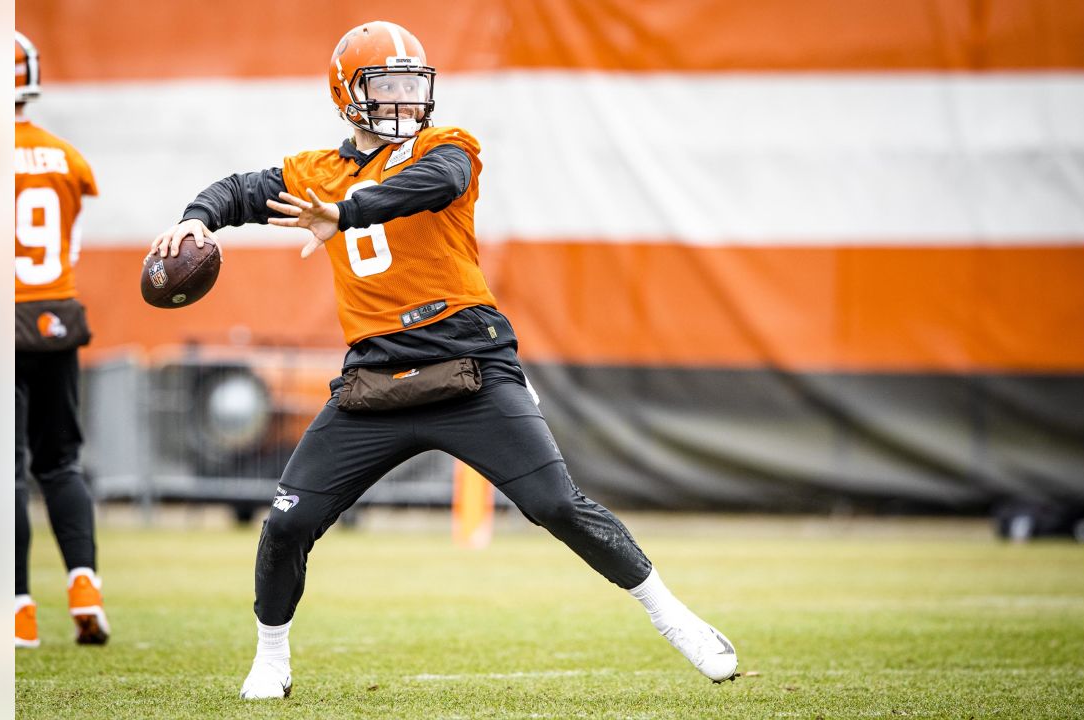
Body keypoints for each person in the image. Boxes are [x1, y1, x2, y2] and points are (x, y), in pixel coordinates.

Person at [148, 20, 736, 699]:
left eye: (410, 85)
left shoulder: (447, 147)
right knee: (287, 522)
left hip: (469, 367)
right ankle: (271, 657)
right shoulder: (318, 169)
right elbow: (242, 188)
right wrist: (198, 217)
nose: (402, 100)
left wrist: (345, 212)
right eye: (385, 86)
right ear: (348, 92)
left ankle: (675, 617)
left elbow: (432, 184)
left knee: (556, 504)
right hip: (374, 382)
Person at [14, 31, 111, 648]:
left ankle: (18, 609)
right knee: (61, 461)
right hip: (54, 316)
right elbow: (67, 245)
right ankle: (84, 584)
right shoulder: (66, 158)